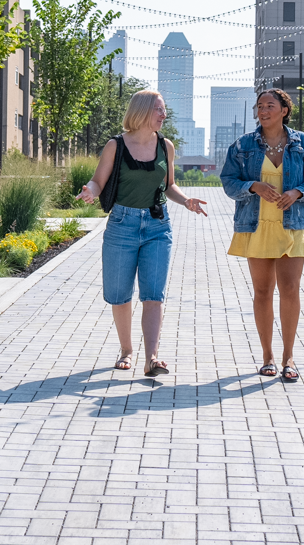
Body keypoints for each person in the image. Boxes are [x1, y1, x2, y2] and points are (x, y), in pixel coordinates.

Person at [76, 90, 208, 376]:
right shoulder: (116, 145)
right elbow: (99, 181)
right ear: (142, 111)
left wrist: (186, 200)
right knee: (120, 294)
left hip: (157, 226)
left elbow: (169, 185)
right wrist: (90, 192)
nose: (164, 115)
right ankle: (126, 350)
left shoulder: (166, 146)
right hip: (122, 225)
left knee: (153, 294)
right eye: (159, 110)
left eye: (164, 110)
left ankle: (152, 358)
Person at [219, 88, 304, 382]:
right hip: (256, 225)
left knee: (290, 289)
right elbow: (228, 181)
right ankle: (267, 356)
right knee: (263, 291)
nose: (263, 111)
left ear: (284, 110)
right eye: (259, 106)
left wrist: (297, 192)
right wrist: (253, 186)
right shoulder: (242, 146)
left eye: (269, 106)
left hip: (293, 225)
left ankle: (288, 356)